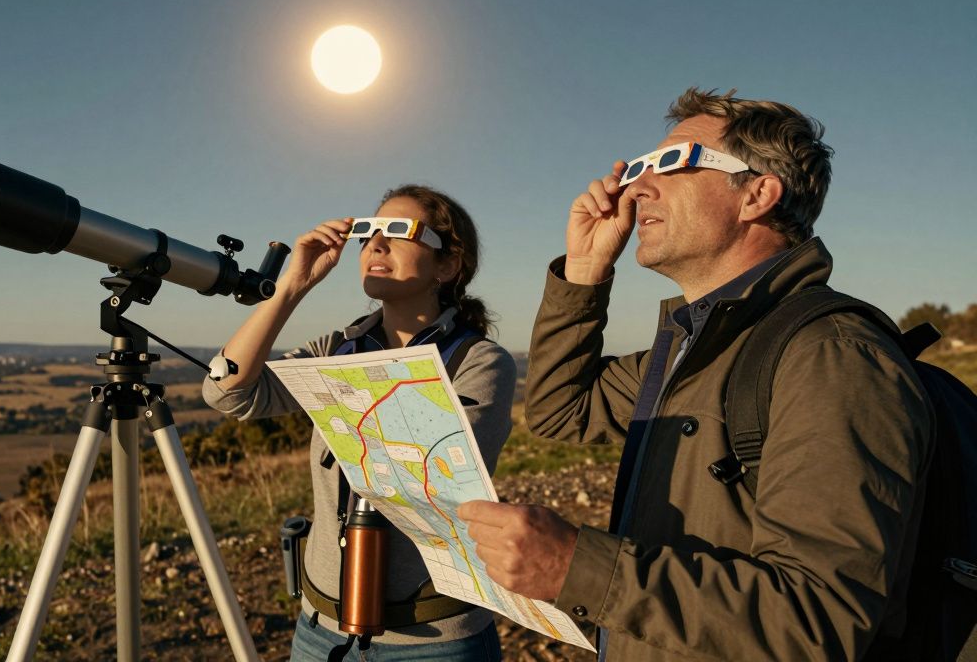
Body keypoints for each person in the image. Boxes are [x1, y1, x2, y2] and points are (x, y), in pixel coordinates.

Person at [460, 88, 933, 660]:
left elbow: (818, 620)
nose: (636, 188)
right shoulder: (691, 349)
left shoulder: (830, 356)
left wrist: (574, 567)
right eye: (637, 168)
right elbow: (561, 410)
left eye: (671, 163)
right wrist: (584, 273)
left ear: (757, 194)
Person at [203, 184, 515, 661]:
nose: (375, 244)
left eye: (397, 231)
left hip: (434, 639)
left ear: (448, 265)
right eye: (368, 233)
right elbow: (227, 392)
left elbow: (429, 478)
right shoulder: (336, 349)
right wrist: (291, 287)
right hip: (320, 629)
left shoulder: (479, 362)